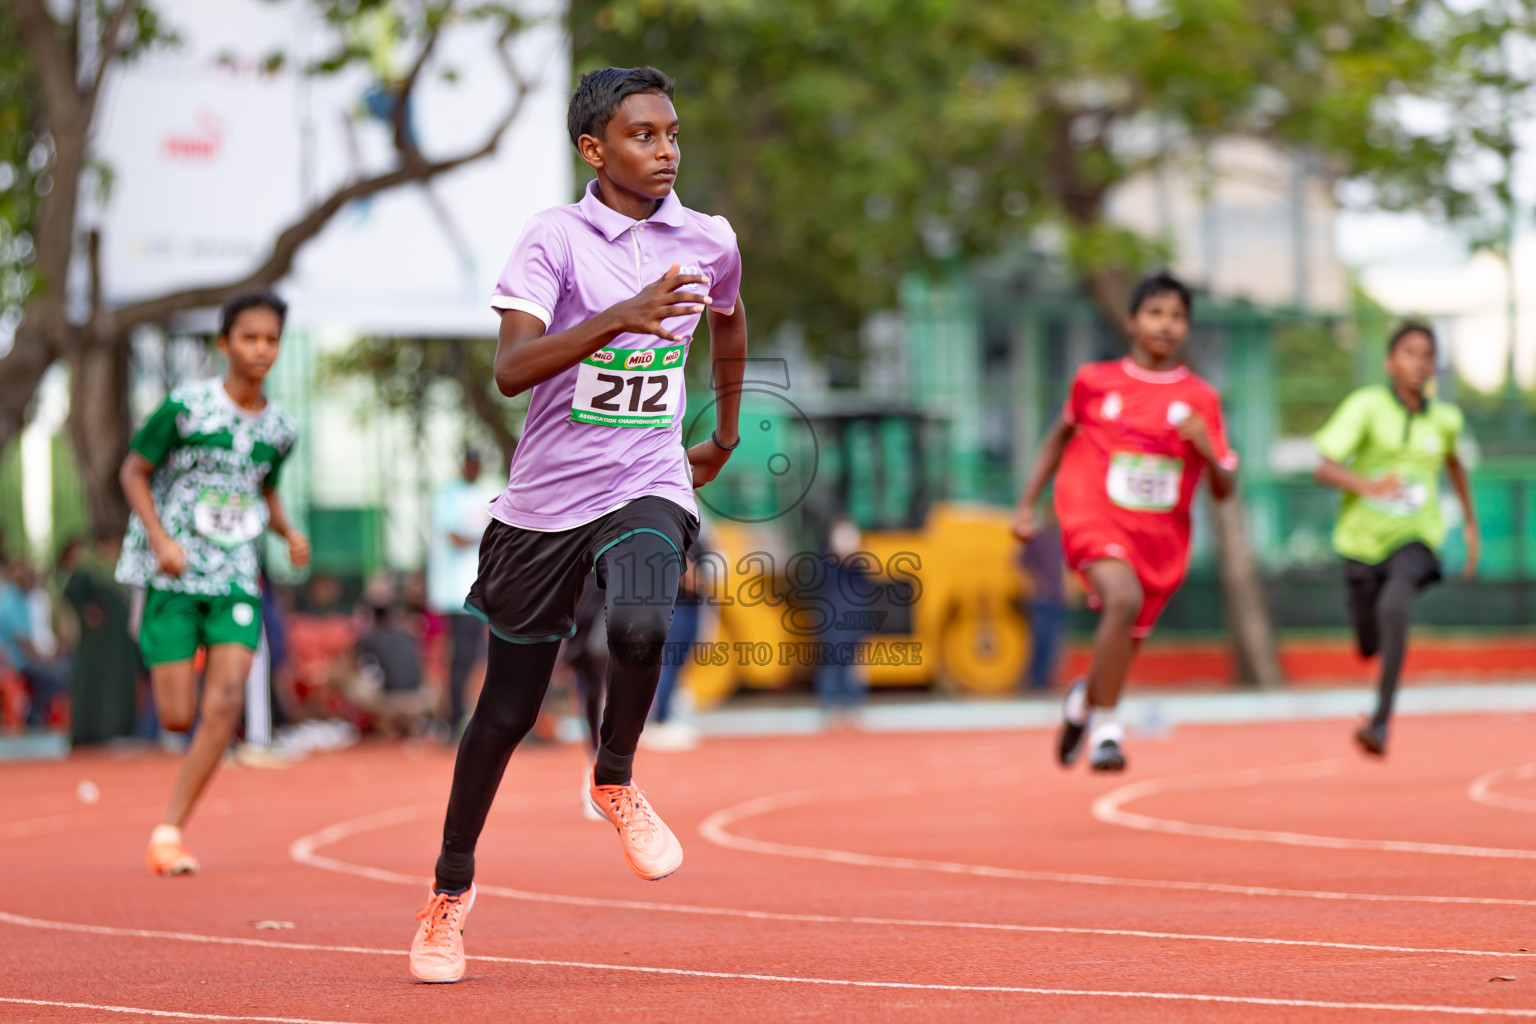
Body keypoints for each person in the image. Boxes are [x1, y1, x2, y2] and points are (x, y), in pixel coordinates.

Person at [408, 65, 747, 985]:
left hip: (647, 479)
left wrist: (723, 427)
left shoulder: (707, 238)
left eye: (673, 133)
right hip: (543, 508)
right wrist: (621, 317)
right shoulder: (553, 240)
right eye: (644, 136)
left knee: (642, 622)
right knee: (504, 713)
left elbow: (729, 321)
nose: (667, 151)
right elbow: (512, 369)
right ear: (594, 150)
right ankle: (449, 891)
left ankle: (616, 777)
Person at [116, 289, 310, 876]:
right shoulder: (185, 408)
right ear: (225, 344)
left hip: (234, 575)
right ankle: (172, 801)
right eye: (249, 338)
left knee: (223, 702)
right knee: (178, 715)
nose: (261, 350)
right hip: (173, 572)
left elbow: (263, 487)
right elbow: (133, 469)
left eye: (271, 339)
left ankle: (170, 830)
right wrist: (160, 540)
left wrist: (287, 532)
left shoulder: (280, 428)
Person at [1011, 272, 1237, 772]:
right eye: (1156, 313)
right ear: (1132, 321)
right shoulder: (1095, 381)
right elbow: (1057, 438)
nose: (1166, 324)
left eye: (1178, 316)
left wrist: (1204, 446)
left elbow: (1225, 488)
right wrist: (1027, 503)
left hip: (1159, 537)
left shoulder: (1202, 399)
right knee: (1123, 598)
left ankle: (1081, 704)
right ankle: (1107, 734)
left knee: (1125, 636)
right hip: (1094, 515)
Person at [1313, 322, 1476, 757]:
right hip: (1362, 542)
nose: (1419, 363)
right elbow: (1323, 466)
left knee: (1395, 604)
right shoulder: (1365, 406)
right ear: (1390, 362)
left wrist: (1472, 527)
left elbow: (1455, 465)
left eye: (1427, 355)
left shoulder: (1446, 419)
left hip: (1417, 535)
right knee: (1370, 640)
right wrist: (1367, 486)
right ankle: (1376, 640)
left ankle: (1380, 723)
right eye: (1409, 353)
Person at [427, 448, 494, 736]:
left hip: (476, 590)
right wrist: (488, 535)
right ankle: (453, 720)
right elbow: (454, 536)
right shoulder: (447, 496)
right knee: (462, 659)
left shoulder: (482, 494)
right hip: (456, 594)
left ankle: (459, 716)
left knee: (472, 658)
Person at [63, 528, 140, 745]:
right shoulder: (90, 571)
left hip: (121, 644)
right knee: (95, 686)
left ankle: (117, 730)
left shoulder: (124, 572)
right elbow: (72, 591)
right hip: (99, 645)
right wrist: (87, 609)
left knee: (120, 686)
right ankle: (90, 733)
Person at [1018, 508, 1069, 691]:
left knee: (1055, 642)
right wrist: (1036, 585)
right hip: (1042, 599)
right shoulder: (1038, 538)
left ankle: (1047, 681)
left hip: (1059, 598)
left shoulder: (1063, 540)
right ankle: (1035, 682)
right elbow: (1021, 562)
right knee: (1041, 640)